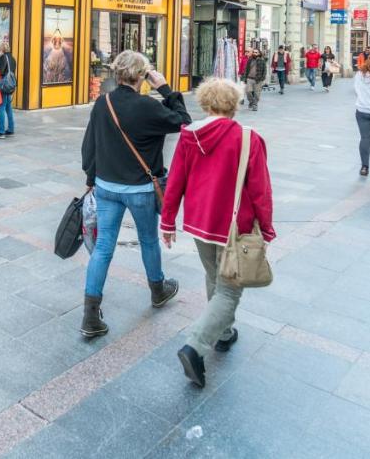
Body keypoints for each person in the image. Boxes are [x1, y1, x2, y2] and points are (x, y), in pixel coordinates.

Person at [161, 79, 274, 388]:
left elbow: (176, 182)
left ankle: (222, 331)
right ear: (234, 105)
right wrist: (266, 227)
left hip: (199, 223)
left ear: (205, 103)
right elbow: (260, 190)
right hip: (234, 227)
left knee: (215, 275)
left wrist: (168, 221)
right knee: (229, 290)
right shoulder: (248, 139)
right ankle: (195, 345)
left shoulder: (189, 136)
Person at [78, 50, 189, 339]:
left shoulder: (103, 103)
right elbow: (183, 120)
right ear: (142, 77)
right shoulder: (148, 107)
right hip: (140, 188)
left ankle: (90, 315)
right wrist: (163, 87)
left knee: (103, 247)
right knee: (148, 240)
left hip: (106, 186)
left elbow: (89, 145)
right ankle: (157, 289)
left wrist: (91, 178)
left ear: (116, 74)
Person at [0, 43, 17, 138]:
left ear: (2, 50)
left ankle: (1, 131)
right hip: (11, 84)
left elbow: (1, 71)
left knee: (2, 107)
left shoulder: (3, 58)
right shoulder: (13, 58)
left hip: (4, 85)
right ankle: (11, 129)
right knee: (8, 107)